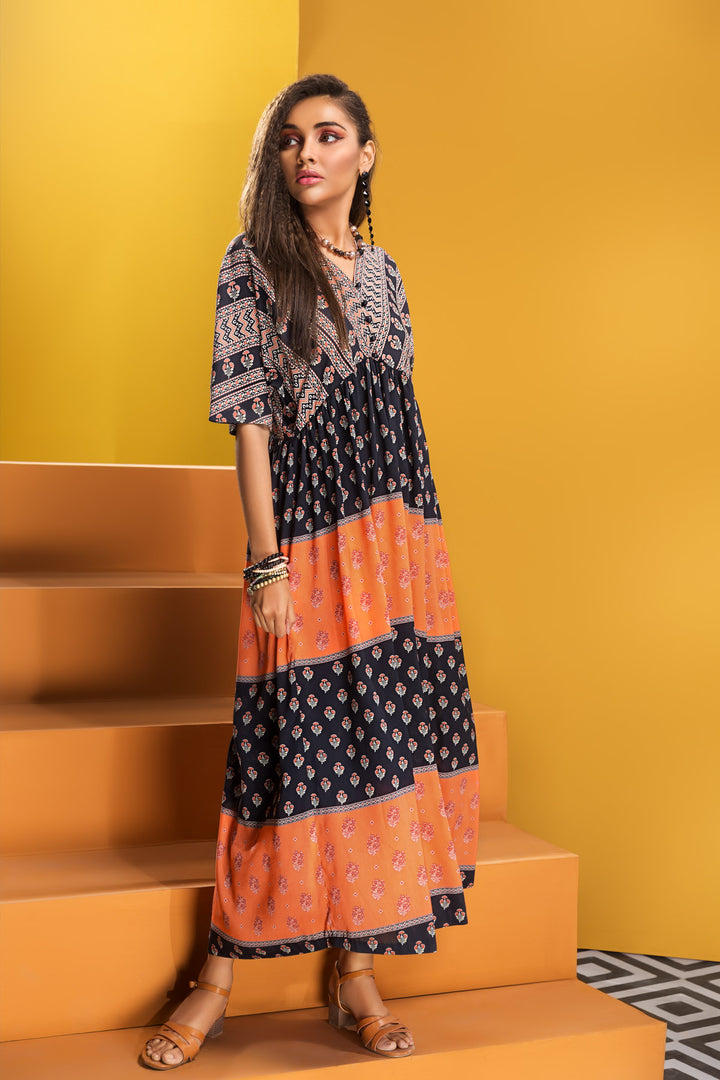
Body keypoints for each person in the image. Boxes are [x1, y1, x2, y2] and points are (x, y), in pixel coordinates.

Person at [141, 72, 480, 1071]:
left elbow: (398, 421)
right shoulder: (251, 264)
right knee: (286, 750)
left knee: (386, 748)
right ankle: (217, 977)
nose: (307, 154)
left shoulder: (388, 276)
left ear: (365, 156)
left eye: (329, 136)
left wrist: (418, 557)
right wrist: (265, 566)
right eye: (290, 139)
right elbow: (250, 427)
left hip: (397, 542)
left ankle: (356, 972)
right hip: (309, 542)